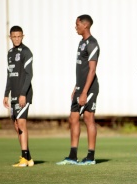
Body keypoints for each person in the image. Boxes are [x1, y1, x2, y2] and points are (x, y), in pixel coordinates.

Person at [56, 14, 100, 165]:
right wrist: (76, 87)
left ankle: (90, 157)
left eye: (77, 24)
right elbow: (82, 69)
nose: (76, 27)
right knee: (73, 119)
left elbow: (92, 70)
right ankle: (72, 156)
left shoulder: (93, 43)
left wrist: (84, 92)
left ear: (85, 25)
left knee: (88, 119)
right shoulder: (81, 42)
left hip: (90, 88)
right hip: (80, 87)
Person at [3, 26, 34, 167]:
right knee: (16, 126)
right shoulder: (10, 53)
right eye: (14, 36)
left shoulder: (26, 52)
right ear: (10, 37)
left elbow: (29, 75)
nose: (16, 39)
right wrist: (6, 94)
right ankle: (28, 157)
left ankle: (24, 158)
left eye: (19, 36)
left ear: (23, 36)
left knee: (22, 123)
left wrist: (23, 94)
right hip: (14, 93)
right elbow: (10, 75)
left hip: (23, 94)